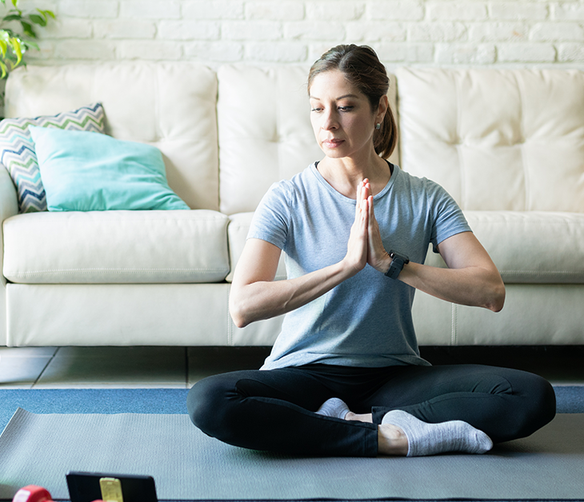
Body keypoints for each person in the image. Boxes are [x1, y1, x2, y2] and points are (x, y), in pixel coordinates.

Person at [187, 45, 556, 457]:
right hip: (304, 374)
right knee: (210, 400)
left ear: (379, 109)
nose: (328, 123)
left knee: (530, 395)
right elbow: (242, 306)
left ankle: (348, 424)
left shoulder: (425, 197)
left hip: (395, 376)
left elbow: (490, 291)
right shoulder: (288, 198)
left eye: (344, 107)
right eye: (316, 108)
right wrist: (346, 266)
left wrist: (390, 263)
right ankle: (392, 435)